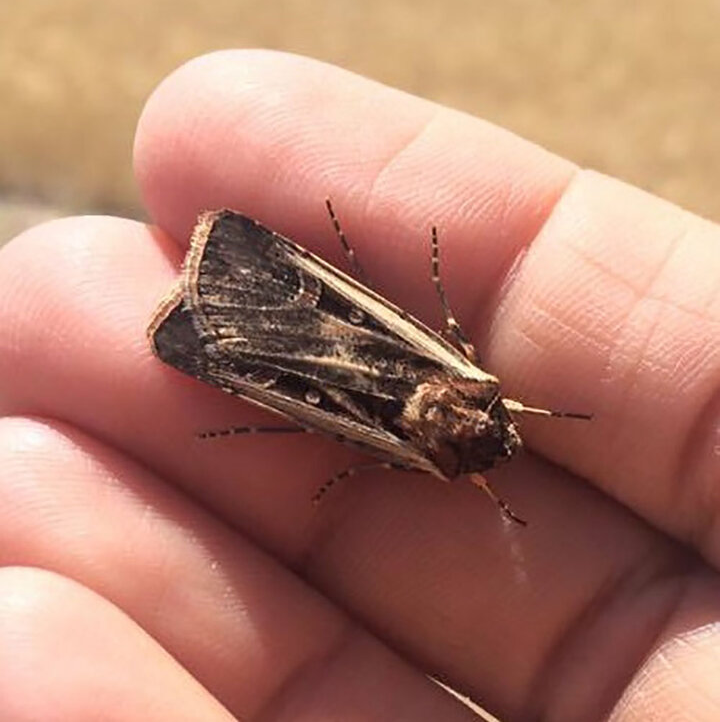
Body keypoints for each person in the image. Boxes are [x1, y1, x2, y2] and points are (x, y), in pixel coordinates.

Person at [0, 50, 717, 721]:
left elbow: (438, 334)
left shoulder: (468, 378)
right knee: (303, 396)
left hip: (358, 347)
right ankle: (211, 343)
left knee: (330, 339)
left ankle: (217, 329)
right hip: (351, 396)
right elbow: (387, 442)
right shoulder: (451, 430)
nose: (506, 431)